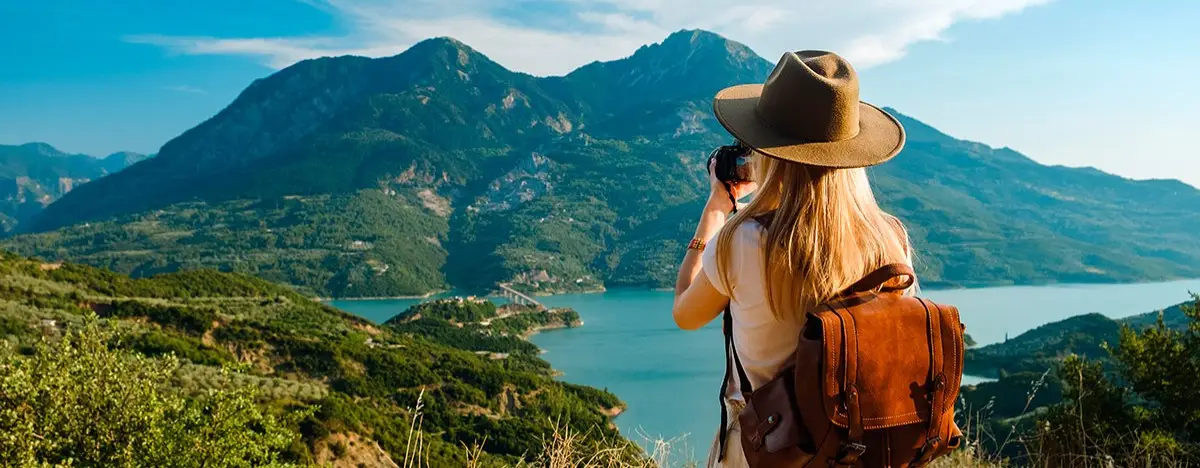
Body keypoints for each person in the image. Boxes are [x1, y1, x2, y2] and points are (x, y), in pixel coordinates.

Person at [671, 50, 917, 467]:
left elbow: (685, 313)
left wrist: (716, 209)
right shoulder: (889, 237)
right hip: (856, 455)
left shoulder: (744, 241)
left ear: (766, 149)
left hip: (769, 454)